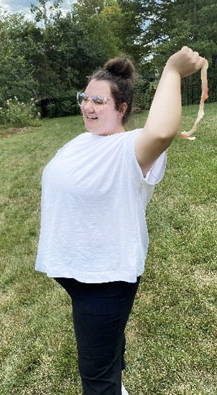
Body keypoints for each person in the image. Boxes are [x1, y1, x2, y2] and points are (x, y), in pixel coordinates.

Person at [35, 46, 206, 394]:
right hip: (79, 273)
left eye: (99, 101)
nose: (87, 106)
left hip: (104, 278)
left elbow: (161, 133)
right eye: (85, 97)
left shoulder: (131, 148)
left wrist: (172, 70)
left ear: (121, 108)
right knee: (106, 342)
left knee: (96, 378)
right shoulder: (83, 141)